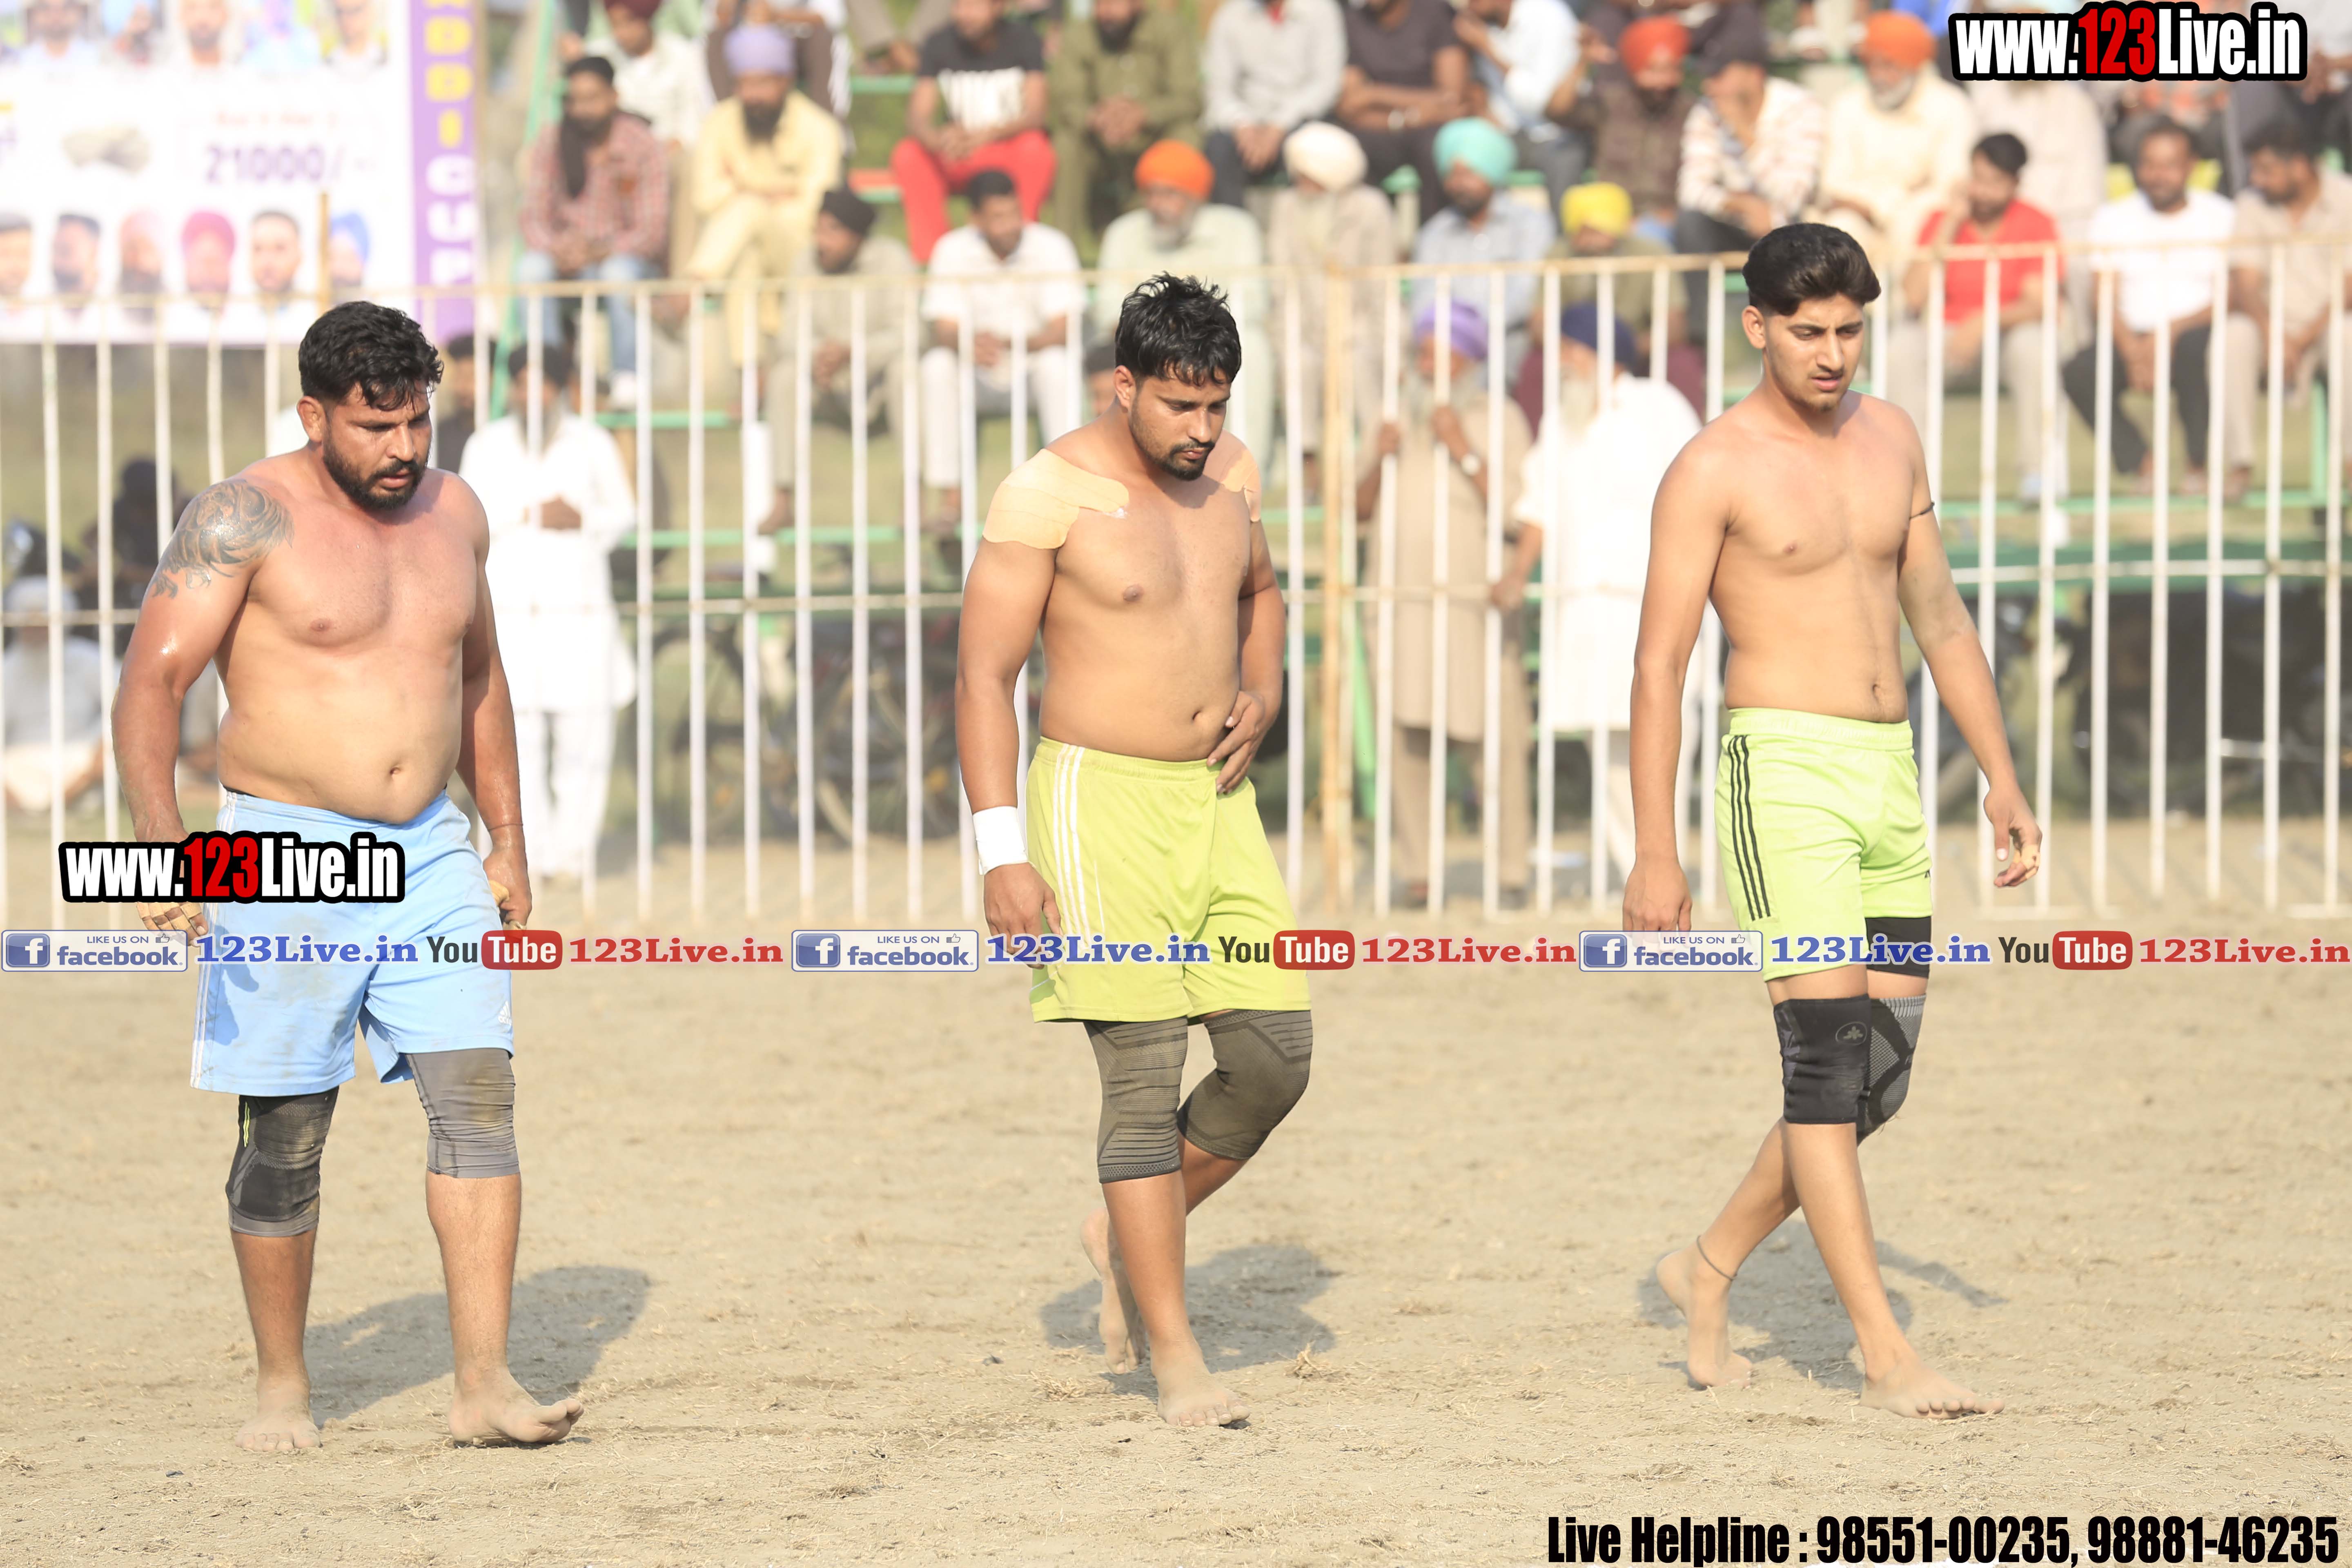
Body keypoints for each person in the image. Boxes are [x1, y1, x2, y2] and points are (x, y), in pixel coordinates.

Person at [111, 301, 583, 1452]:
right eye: (377, 427)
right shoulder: (241, 516)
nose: (404, 448)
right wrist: (162, 844)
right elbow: (153, 682)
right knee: (285, 1130)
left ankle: (483, 1385)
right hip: (281, 848)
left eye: (418, 421)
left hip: (430, 848)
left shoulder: (456, 511)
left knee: (477, 1101)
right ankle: (283, 1385)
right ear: (313, 415)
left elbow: (476, 677)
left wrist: (506, 837)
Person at [1626, 223, 2037, 1418]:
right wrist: (1654, 846)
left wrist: (2001, 776)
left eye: (1849, 330)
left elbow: (1940, 618)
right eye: (1807, 330)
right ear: (1755, 326)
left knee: (1879, 1076)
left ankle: (1706, 1263)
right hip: (1782, 773)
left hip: (1887, 773)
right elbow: (1659, 665)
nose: (1831, 352)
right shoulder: (1711, 466)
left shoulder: (1893, 435)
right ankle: (1883, 1351)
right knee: (1822, 1064)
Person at [956, 273, 1310, 1429]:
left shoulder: (1233, 474)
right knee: (1144, 1078)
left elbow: (1263, 589)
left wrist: (1263, 688)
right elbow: (982, 678)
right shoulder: (1047, 493)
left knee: (1273, 1057)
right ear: (1124, 385)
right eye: (1179, 405)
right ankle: (1176, 1356)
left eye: (1216, 405)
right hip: (1094, 803)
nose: (1202, 428)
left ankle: (1123, 1230)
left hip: (1215, 801)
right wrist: (1002, 853)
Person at [1512, 302, 1698, 889]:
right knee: (1604, 736)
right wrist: (1517, 573)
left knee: (1666, 734)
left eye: (1571, 349)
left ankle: (1674, 867)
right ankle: (1635, 870)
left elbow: (1698, 492)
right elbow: (1538, 503)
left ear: (1600, 352)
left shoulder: (1659, 406)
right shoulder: (1561, 420)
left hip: (1651, 601)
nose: (1562, 362)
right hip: (1585, 607)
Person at [1355, 298, 1534, 908]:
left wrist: (1461, 447)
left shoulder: (1500, 417)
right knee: (1406, 741)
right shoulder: (1393, 418)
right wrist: (1380, 457)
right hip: (1402, 606)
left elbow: (1520, 512)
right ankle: (1419, 873)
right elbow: (1355, 511)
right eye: (1422, 352)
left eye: (1439, 353)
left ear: (1469, 361)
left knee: (1496, 739)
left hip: (1473, 608)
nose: (1425, 364)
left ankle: (1510, 873)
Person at [461, 343, 637, 884]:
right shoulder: (486, 445)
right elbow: (468, 519)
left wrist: (581, 519)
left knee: (584, 738)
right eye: (522, 385)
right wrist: (531, 514)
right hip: (512, 612)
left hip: (578, 611)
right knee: (519, 739)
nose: (531, 397)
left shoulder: (592, 443)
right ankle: (528, 854)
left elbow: (624, 514)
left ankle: (573, 855)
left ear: (562, 390)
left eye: (542, 385)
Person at [2061, 120, 2252, 498]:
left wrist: (2169, 334)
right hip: (2130, 334)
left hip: (2196, 331)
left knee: (2198, 354)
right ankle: (2141, 463)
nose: (2157, 175)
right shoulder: (2113, 217)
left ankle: (2197, 465)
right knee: (2080, 372)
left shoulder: (2223, 216)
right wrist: (2133, 348)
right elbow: (2103, 295)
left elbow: (2232, 295)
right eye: (2149, 164)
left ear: (2191, 165)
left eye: (2169, 165)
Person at [1887, 133, 2062, 503]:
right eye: (1977, 178)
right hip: (1945, 338)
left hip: (2006, 339)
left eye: (1994, 182)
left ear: (2015, 183)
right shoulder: (1940, 220)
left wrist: (1985, 321)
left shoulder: (2036, 223)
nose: (1982, 191)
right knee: (1902, 347)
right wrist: (1951, 224)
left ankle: (2038, 471)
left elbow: (2039, 303)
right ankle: (1908, 478)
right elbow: (1914, 295)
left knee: (2035, 346)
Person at [916, 168, 1082, 538]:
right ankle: (950, 504)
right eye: (998, 217)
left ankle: (1069, 494)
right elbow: (944, 327)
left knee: (1059, 366)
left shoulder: (1052, 245)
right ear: (975, 219)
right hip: (975, 371)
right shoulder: (952, 249)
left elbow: (1063, 329)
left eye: (1014, 213)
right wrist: (969, 344)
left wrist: (1009, 343)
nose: (1010, 225)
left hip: (1033, 369)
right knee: (937, 366)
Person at [1091, 141, 1273, 459]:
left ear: (1196, 197)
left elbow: (1253, 302)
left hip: (1216, 343)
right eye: (1151, 193)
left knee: (1253, 348)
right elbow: (1107, 309)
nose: (1157, 204)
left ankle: (1245, 463)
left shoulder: (1237, 229)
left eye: (1169, 194)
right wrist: (1164, 335)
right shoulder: (1124, 232)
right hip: (1148, 347)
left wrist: (1192, 332)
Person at [761, 187, 916, 532]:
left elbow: (910, 333)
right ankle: (783, 499)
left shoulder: (892, 259)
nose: (822, 241)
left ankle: (914, 500)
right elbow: (790, 334)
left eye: (832, 231)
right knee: (785, 376)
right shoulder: (806, 262)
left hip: (878, 385)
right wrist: (822, 355)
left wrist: (855, 353)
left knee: (907, 372)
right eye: (818, 230)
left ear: (857, 235)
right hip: (826, 384)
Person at [686, 24, 844, 360]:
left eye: (761, 84)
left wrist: (746, 191)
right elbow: (704, 198)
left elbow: (815, 209)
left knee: (748, 209)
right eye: (744, 84)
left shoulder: (820, 128)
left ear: (785, 80)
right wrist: (775, 193)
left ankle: (694, 285)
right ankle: (751, 370)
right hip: (740, 248)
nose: (752, 95)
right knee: (747, 257)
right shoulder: (719, 122)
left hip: (800, 250)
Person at [518, 55, 669, 402]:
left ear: (614, 97)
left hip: (625, 261)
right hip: (567, 261)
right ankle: (547, 376)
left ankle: (628, 378)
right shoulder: (552, 140)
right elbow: (532, 216)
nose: (583, 109)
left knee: (619, 272)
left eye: (592, 99)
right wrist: (559, 249)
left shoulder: (642, 144)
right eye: (575, 100)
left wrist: (598, 251)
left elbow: (652, 232)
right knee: (531, 269)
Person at [1674, 11, 1824, 330]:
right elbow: (1690, 191)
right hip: (1735, 226)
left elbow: (1792, 195)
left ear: (1754, 74)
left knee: (1800, 229)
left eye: (1719, 75)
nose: (1709, 85)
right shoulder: (1706, 112)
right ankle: (1703, 337)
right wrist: (1742, 204)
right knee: (1690, 224)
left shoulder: (1800, 106)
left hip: (1790, 229)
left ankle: (1796, 331)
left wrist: (1745, 135)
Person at [2226, 119, 2352, 488]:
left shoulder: (2346, 197)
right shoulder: (2251, 204)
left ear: (2299, 165)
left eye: (2266, 170)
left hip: (2329, 322)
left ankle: (2351, 461)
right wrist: (2274, 336)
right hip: (2269, 326)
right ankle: (2238, 464)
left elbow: (2349, 287)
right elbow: (2246, 282)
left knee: (2348, 335)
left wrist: (2300, 340)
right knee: (2232, 336)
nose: (2257, 179)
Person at [1265, 122, 1394, 478]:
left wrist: (1391, 346)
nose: (1302, 181)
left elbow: (1382, 286)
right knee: (1297, 363)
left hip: (1358, 330)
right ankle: (1308, 466)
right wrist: (1287, 337)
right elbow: (1282, 285)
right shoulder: (1287, 205)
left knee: (1362, 369)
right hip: (1305, 330)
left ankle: (1373, 473)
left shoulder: (1371, 207)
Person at [1520, 181, 1702, 421]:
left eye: (1598, 229)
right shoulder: (1558, 255)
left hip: (1638, 351)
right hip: (1576, 351)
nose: (1590, 240)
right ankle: (1540, 442)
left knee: (1682, 363)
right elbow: (1539, 324)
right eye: (1583, 230)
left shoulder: (1651, 252)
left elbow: (1675, 326)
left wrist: (1622, 352)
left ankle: (1694, 440)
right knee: (1536, 366)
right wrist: (1572, 352)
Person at [890, 0, 1054, 263]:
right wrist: (939, 139)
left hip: (1006, 148)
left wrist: (989, 134)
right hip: (958, 153)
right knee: (910, 154)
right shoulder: (938, 42)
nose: (965, 14)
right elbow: (918, 116)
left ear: (998, 8)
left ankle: (1022, 247)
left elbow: (1036, 114)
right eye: (959, 6)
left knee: (1035, 148)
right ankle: (934, 260)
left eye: (974, 6)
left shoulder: (1024, 39)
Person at [1815, 11, 1975, 274]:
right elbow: (1834, 184)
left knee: (1915, 219)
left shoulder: (1951, 105)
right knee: (1841, 226)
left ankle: (1908, 301)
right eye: (1871, 65)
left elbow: (1950, 185)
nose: (1878, 76)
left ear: (1915, 67)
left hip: (1917, 219)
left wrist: (1887, 208)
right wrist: (1879, 207)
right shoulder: (1847, 105)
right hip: (1860, 216)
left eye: (1889, 66)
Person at [1044, 0, 1200, 254]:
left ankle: (1179, 249)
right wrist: (1098, 118)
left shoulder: (1170, 30)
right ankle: (1063, 256)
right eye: (1099, 4)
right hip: (1099, 143)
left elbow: (1189, 98)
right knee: (1066, 145)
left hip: (1153, 139)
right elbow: (1066, 101)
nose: (1107, 12)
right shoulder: (1079, 35)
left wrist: (1143, 114)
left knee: (1186, 136)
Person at [1410, 117, 1555, 376]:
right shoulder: (1435, 233)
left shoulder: (1529, 223)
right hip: (1451, 345)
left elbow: (1526, 292)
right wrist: (1460, 335)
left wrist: (1479, 329)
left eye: (1469, 174)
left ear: (1492, 171)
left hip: (1512, 339)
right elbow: (1425, 299)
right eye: (1452, 175)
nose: (1458, 184)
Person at [1553, 17, 1693, 247]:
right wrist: (1582, 62)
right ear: (1635, 67)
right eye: (1653, 71)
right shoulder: (1611, 104)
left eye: (1671, 70)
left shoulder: (1691, 112)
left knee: (1651, 238)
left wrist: (1669, 216)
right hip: (1607, 219)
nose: (1663, 81)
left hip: (1667, 222)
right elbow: (1558, 111)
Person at [1200, 0, 1346, 209]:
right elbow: (1218, 88)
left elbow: (1326, 85)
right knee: (1219, 151)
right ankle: (1235, 226)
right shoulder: (1231, 15)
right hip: (1247, 121)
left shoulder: (1321, 10)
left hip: (1301, 118)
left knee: (1312, 152)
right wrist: (1242, 124)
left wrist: (1279, 125)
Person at [1336, 0, 1472, 205]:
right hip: (1383, 127)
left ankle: (1435, 225)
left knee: (1438, 150)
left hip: (1432, 129)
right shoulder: (1354, 20)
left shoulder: (1435, 12)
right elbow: (1350, 107)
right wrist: (1407, 118)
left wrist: (1374, 94)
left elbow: (1452, 99)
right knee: (1346, 153)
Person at [1454, 0, 1581, 213]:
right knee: (1465, 159)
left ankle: (1563, 235)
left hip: (1556, 134)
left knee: (1564, 164)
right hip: (1508, 135)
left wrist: (1488, 48)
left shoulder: (1548, 16)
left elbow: (1541, 102)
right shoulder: (1479, 25)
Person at [2, 577, 109, 813]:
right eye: (29, 620)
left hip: (81, 760)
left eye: (43, 620)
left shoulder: (88, 658)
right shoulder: (7, 667)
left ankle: (55, 810)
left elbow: (125, 702)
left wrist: (101, 752)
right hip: (18, 765)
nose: (36, 628)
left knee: (115, 744)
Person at [588, 0, 713, 152]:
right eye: (615, 25)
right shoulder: (601, 57)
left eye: (629, 22)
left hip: (672, 152)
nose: (622, 33)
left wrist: (678, 144)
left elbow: (693, 112)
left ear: (646, 19)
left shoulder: (682, 54)